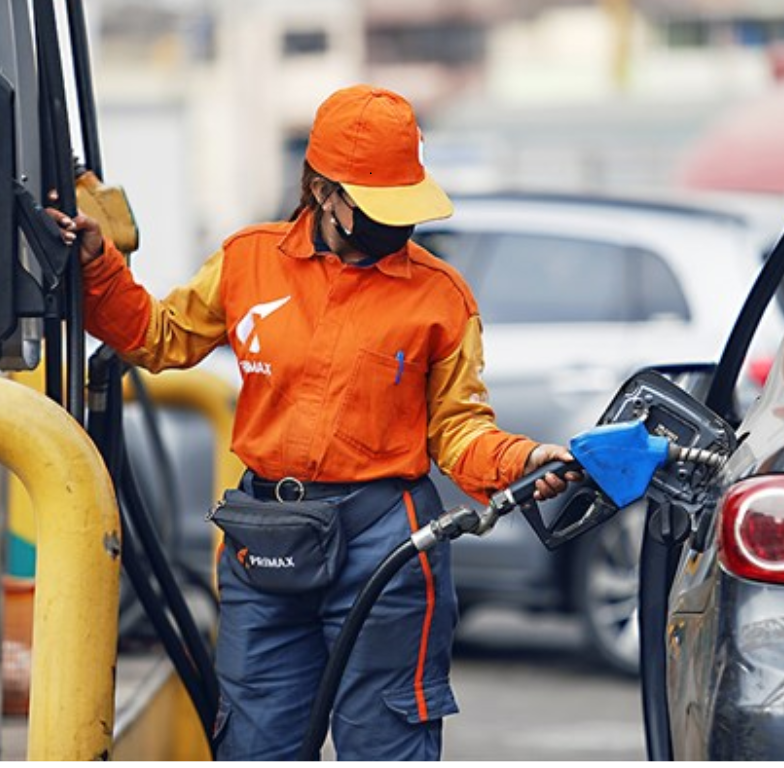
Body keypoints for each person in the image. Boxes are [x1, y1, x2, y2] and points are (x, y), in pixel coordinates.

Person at [54, 84, 578, 761]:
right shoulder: (248, 261)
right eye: (376, 206)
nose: (398, 224)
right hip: (266, 541)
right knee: (255, 742)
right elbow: (161, 336)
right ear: (321, 191)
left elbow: (458, 429)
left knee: (386, 742)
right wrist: (97, 266)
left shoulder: (441, 299)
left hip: (387, 546)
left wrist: (520, 461)